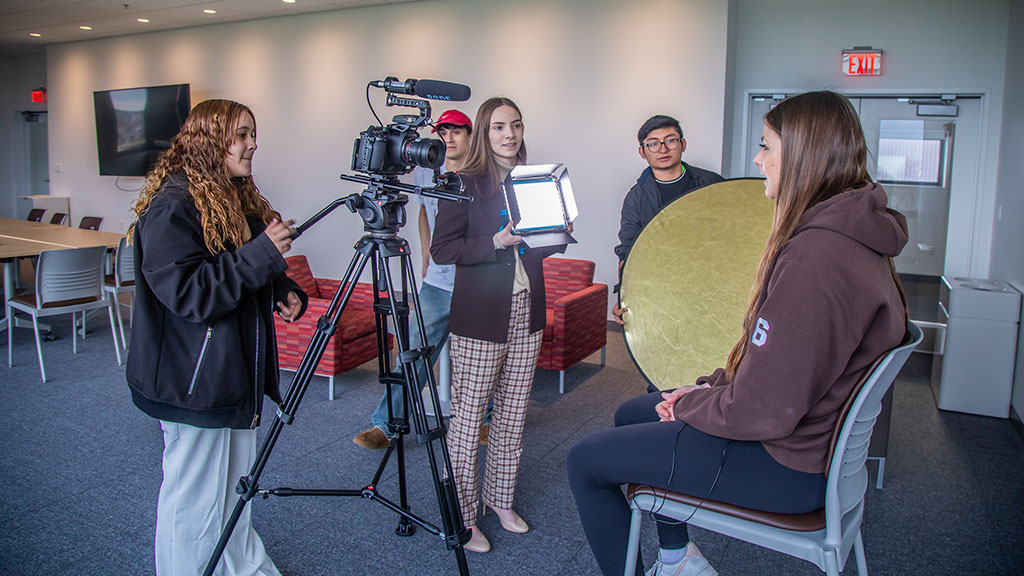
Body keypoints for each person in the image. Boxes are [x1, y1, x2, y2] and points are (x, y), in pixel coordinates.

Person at [567, 91, 909, 576]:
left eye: (767, 146)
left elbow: (764, 409)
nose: (757, 159)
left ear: (804, 155)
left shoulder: (815, 261)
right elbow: (774, 372)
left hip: (787, 465)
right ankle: (676, 556)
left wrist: (687, 403)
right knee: (632, 412)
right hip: (812, 443)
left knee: (584, 460)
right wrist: (704, 388)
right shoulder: (853, 239)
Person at [126, 99, 308, 576]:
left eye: (253, 133)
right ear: (212, 139)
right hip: (194, 384)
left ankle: (241, 568)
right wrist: (263, 255)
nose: (253, 144)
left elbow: (239, 266)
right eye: (243, 134)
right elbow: (191, 293)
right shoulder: (173, 206)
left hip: (233, 376)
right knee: (194, 503)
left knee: (235, 492)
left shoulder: (229, 196)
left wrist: (280, 289)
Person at [431, 97, 568, 553]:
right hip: (480, 318)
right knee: (469, 422)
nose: (509, 134)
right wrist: (495, 241)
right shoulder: (462, 182)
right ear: (484, 134)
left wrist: (556, 232)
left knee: (511, 416)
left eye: (515, 125)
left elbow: (537, 248)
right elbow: (443, 250)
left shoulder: (535, 179)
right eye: (498, 127)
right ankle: (465, 516)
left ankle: (500, 499)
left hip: (527, 312)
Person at [354, 109, 486, 449]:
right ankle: (388, 424)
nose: (449, 139)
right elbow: (425, 213)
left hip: (478, 283)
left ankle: (486, 420)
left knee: (481, 359)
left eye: (456, 132)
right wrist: (427, 253)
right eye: (443, 133)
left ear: (470, 135)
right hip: (439, 283)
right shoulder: (428, 174)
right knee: (413, 349)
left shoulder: (483, 174)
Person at [612, 115, 724, 324]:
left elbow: (732, 232)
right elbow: (628, 250)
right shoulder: (636, 197)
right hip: (659, 287)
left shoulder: (711, 183)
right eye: (653, 144)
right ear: (642, 152)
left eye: (670, 140)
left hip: (709, 285)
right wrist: (624, 296)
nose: (663, 149)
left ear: (682, 144)